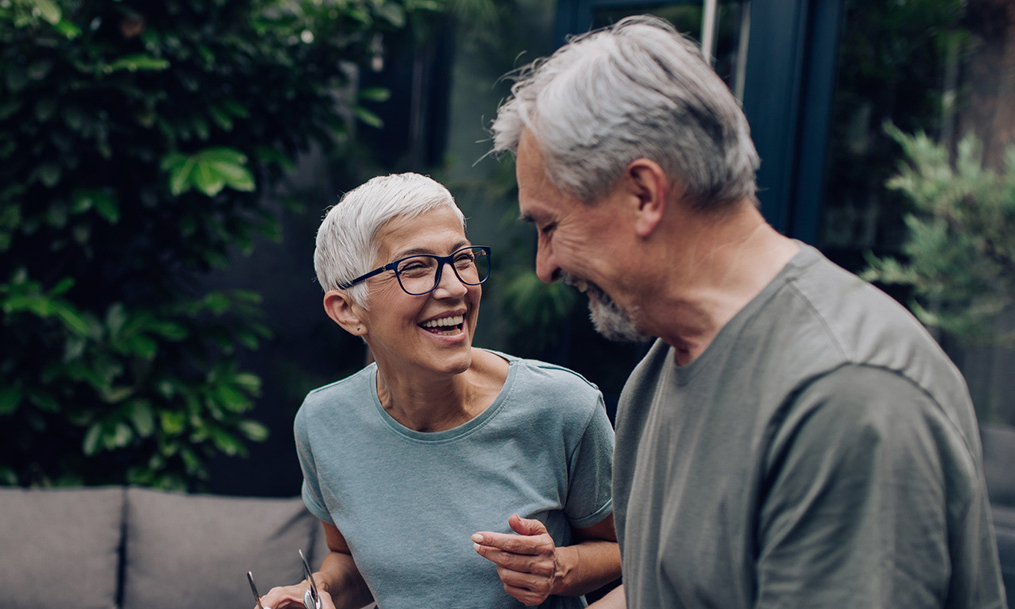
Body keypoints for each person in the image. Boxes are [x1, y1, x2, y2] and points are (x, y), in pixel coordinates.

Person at [490, 14, 1008, 609]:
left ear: (644, 195)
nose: (545, 266)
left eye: (551, 226)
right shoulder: (658, 375)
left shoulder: (846, 395)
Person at [256, 173, 620, 609]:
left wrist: (559, 570)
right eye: (415, 267)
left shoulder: (562, 406)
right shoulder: (323, 421)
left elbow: (632, 548)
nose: (455, 288)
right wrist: (315, 593)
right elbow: (350, 559)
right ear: (349, 310)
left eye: (462, 259)